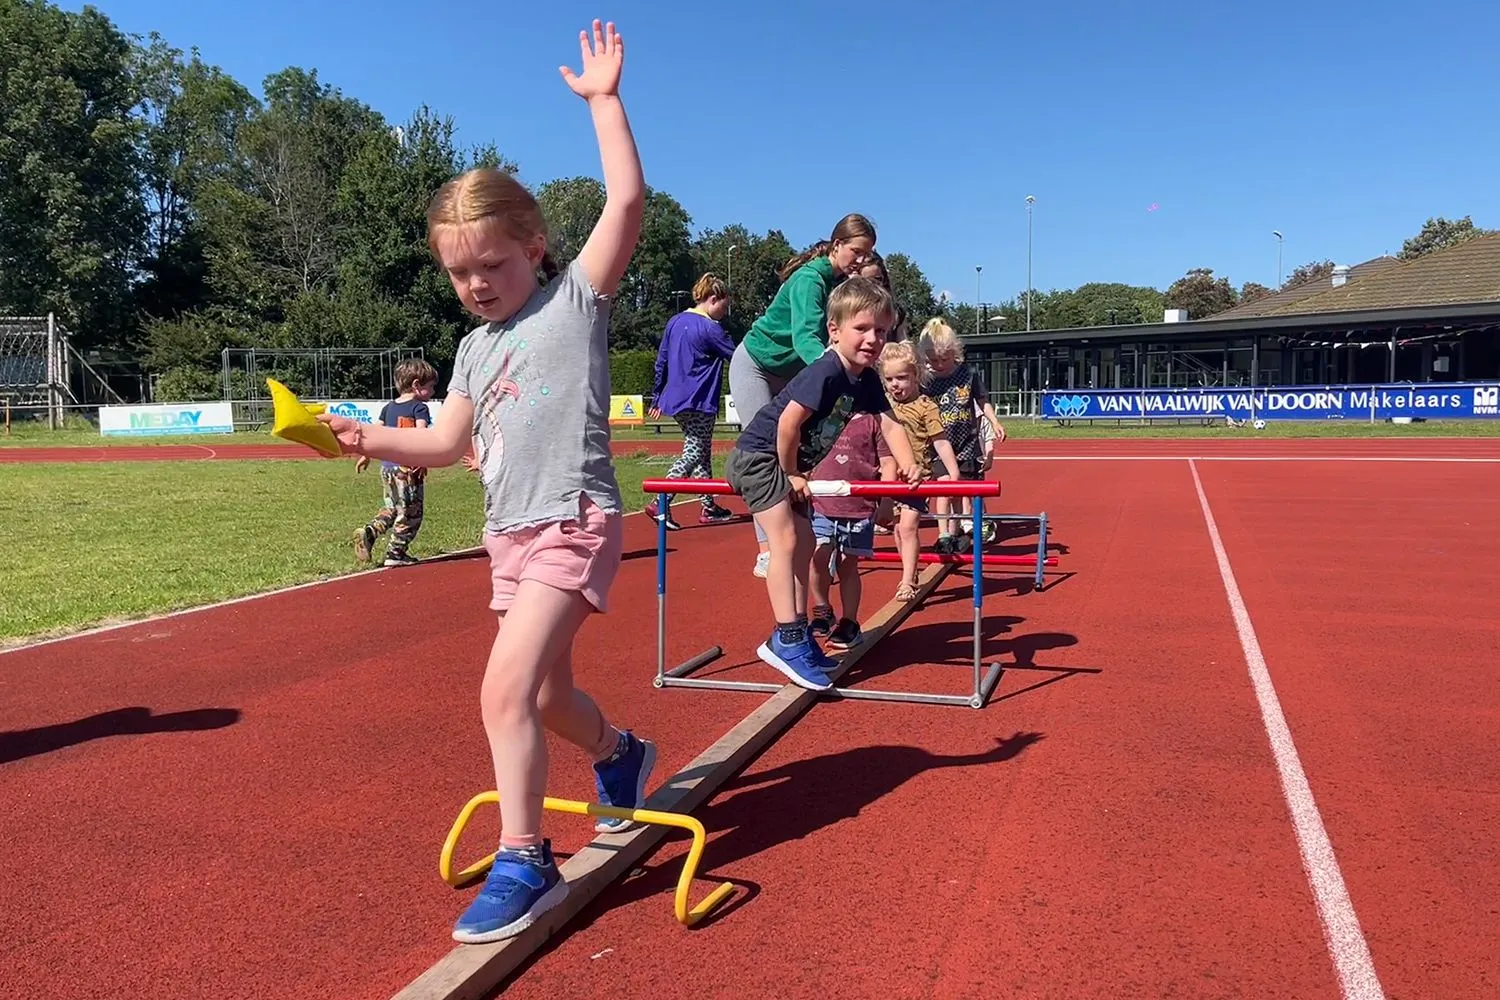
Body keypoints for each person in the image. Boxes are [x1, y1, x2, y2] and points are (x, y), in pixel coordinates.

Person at [316, 20, 651, 945]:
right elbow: (445, 440)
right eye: (458, 272)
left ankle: (525, 856)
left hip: (574, 522)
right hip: (509, 536)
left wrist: (604, 101)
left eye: (491, 265)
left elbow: (626, 200)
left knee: (502, 690)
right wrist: (367, 435)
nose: (475, 284)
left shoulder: (575, 300)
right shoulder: (469, 348)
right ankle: (621, 754)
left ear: (534, 247)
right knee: (543, 698)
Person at [722, 276, 922, 691]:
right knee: (786, 541)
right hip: (760, 457)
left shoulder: (866, 379)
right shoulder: (826, 370)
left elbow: (890, 424)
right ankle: (787, 637)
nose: (873, 339)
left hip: (785, 464)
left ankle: (795, 634)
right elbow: (788, 424)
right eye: (861, 328)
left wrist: (909, 465)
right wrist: (792, 473)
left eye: (881, 330)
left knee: (806, 542)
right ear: (834, 330)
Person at [727, 213, 877, 577]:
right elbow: (805, 338)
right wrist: (834, 370)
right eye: (856, 252)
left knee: (804, 446)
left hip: (790, 371)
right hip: (757, 364)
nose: (860, 260)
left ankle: (805, 534)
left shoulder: (838, 284)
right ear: (837, 244)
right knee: (766, 452)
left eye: (867, 254)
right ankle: (767, 549)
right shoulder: (810, 280)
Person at [645, 273, 736, 528]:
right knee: (694, 451)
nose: (724, 313)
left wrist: (656, 396)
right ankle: (660, 500)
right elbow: (738, 355)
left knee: (702, 451)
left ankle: (708, 506)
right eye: (724, 307)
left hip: (675, 400)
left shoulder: (675, 322)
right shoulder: (711, 328)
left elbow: (661, 360)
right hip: (699, 399)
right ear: (713, 299)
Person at [878, 340, 960, 601]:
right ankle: (909, 570)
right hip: (890, 478)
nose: (895, 385)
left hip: (917, 478)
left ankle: (907, 581)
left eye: (902, 378)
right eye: (889, 379)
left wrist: (953, 473)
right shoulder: (883, 405)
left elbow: (940, 441)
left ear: (915, 376)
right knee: (897, 530)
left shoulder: (926, 406)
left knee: (908, 527)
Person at [806, 411, 894, 650]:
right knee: (818, 554)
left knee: (848, 564)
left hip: (858, 507)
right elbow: (806, 454)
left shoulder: (875, 421)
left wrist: (887, 499)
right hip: (821, 503)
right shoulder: (823, 414)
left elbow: (888, 462)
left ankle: (849, 622)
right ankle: (822, 609)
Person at [917, 318, 1007, 551]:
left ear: (954, 353)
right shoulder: (925, 380)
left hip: (966, 443)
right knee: (945, 488)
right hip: (939, 444)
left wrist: (994, 422)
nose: (939, 365)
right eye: (933, 360)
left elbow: (982, 400)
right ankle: (944, 534)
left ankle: (957, 530)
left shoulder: (968, 375)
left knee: (960, 491)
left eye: (944, 359)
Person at [353, 357, 439, 567]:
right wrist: (422, 458)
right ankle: (396, 552)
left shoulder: (388, 408)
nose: (433, 392)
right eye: (431, 387)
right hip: (407, 469)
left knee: (392, 508)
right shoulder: (419, 408)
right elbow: (420, 435)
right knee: (411, 514)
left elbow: (375, 434)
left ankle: (370, 531)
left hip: (387, 468)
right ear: (417, 385)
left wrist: (366, 454)